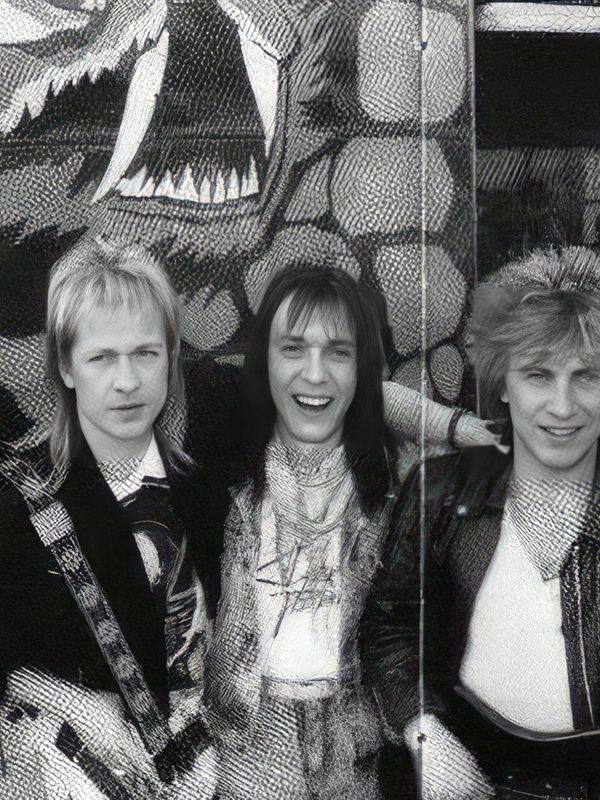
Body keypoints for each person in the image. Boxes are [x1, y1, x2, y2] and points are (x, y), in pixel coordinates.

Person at [204, 265, 501, 800]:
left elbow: (387, 400)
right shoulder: (229, 458)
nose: (315, 373)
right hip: (249, 739)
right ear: (264, 360)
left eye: (339, 352)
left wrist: (459, 428)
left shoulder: (397, 475)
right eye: (293, 349)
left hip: (355, 738)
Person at [361, 246, 600, 800]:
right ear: (503, 382)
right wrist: (425, 733)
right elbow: (392, 627)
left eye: (587, 376)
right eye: (538, 374)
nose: (562, 405)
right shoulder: (441, 490)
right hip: (470, 775)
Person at [0, 236, 225, 799]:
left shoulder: (207, 480)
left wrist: (442, 427)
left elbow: (338, 392)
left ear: (171, 355)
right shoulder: (19, 507)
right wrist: (76, 705)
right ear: (66, 366)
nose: (127, 381)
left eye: (145, 353)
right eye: (101, 357)